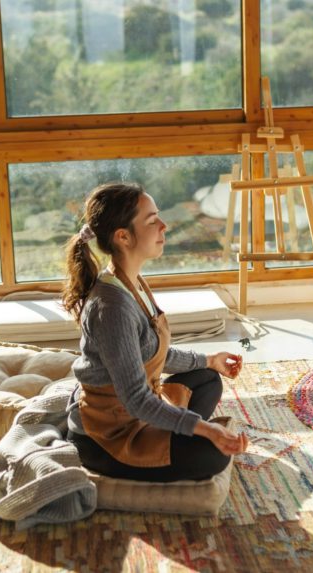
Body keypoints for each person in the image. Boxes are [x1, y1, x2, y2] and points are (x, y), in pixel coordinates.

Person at [62, 181, 248, 482]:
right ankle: (175, 437)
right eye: (152, 221)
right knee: (212, 457)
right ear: (123, 236)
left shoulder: (131, 281)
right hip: (107, 435)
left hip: (139, 409)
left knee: (207, 379)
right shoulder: (112, 308)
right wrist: (206, 428)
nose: (165, 226)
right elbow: (136, 399)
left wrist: (209, 360)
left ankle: (173, 431)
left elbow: (152, 352)